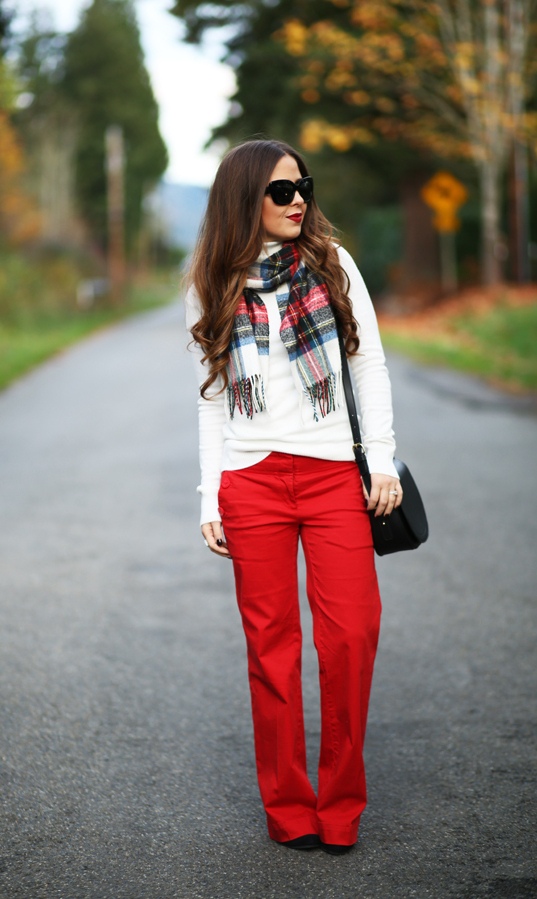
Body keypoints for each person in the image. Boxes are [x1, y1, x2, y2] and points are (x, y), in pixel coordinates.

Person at [185, 139, 402, 854]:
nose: (298, 199)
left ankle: (340, 805)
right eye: (281, 191)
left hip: (333, 472)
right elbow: (211, 399)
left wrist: (382, 462)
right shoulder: (214, 281)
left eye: (302, 186)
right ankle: (288, 808)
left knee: (351, 636)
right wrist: (210, 495)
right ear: (245, 199)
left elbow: (367, 367)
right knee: (270, 650)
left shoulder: (332, 265)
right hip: (252, 482)